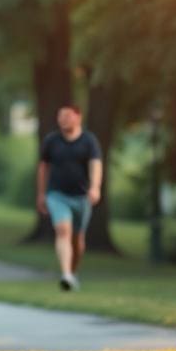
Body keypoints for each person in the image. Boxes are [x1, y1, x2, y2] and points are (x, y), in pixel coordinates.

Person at [36, 105, 103, 291]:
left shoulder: (89, 141)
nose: (63, 120)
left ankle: (72, 273)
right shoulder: (52, 141)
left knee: (78, 239)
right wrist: (41, 193)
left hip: (82, 197)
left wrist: (95, 187)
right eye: (60, 116)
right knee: (63, 230)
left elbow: (96, 164)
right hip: (57, 194)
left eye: (67, 116)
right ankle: (65, 274)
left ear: (78, 117)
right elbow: (43, 167)